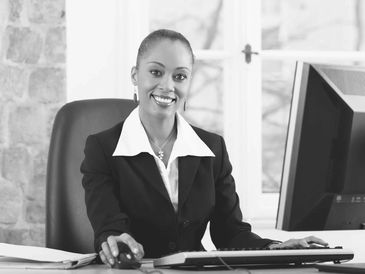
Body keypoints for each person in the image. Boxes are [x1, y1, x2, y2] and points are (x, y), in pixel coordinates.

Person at [80, 29, 328, 267]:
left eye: (179, 76)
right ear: (135, 75)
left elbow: (231, 234)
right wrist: (115, 243)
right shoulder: (102, 148)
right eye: (156, 72)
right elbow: (109, 227)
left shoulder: (211, 149)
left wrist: (278, 248)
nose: (167, 85)